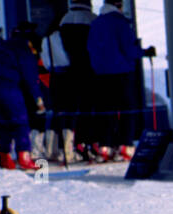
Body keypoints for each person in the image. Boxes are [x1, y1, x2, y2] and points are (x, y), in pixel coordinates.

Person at [87, 0, 155, 160]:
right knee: (126, 109)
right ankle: (125, 145)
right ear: (119, 5)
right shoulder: (120, 22)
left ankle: (105, 146)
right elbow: (129, 49)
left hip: (100, 73)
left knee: (106, 109)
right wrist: (144, 52)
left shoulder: (96, 23)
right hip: (121, 71)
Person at [45, 1, 97, 164]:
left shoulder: (59, 26)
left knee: (60, 112)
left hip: (61, 75)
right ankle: (79, 146)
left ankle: (54, 149)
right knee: (82, 110)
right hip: (84, 72)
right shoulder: (91, 19)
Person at [0, 23, 45, 171]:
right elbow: (30, 77)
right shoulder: (23, 49)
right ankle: (24, 158)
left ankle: (4, 157)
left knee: (1, 122)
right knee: (20, 121)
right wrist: (38, 99)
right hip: (9, 86)